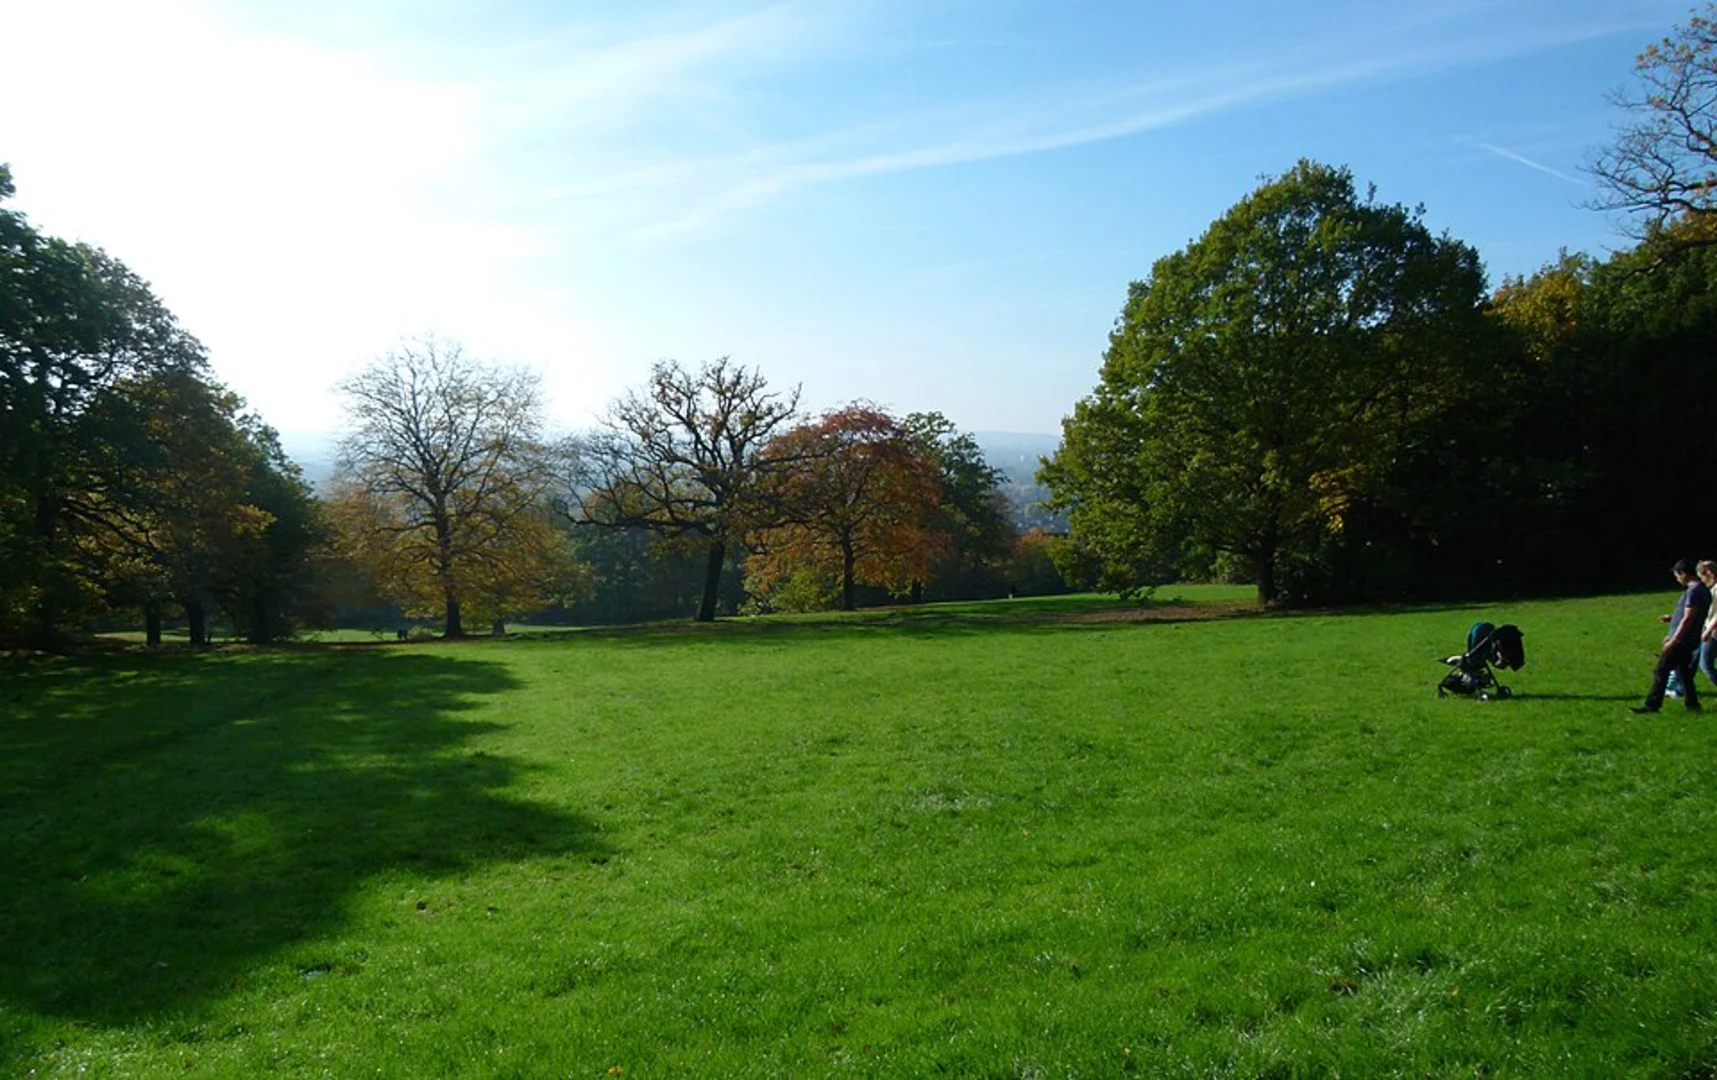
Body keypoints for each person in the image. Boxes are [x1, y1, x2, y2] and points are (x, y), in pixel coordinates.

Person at [1634, 558, 1710, 713]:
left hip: (1682, 640)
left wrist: (1673, 639)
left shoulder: (1693, 591)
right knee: (1684, 672)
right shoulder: (1703, 589)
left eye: (1677, 575)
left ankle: (1652, 705)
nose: (1677, 579)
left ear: (1683, 574)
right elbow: (1693, 615)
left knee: (1661, 670)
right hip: (1691, 638)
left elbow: (1688, 618)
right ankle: (1692, 704)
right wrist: (1672, 619)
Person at [1699, 559, 1717, 688]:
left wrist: (1708, 630)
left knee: (1705, 664)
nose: (1702, 580)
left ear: (1709, 573)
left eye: (1702, 576)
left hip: (1714, 632)